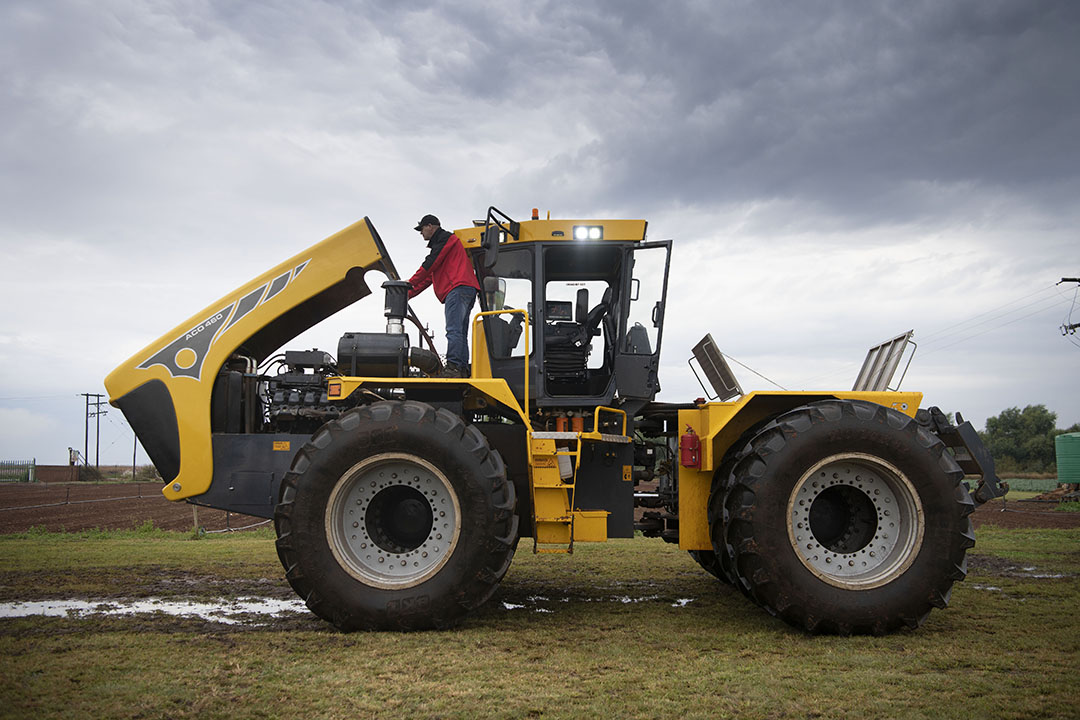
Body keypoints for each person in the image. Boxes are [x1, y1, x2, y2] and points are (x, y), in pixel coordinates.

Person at [407, 214, 482, 377]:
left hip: (458, 288)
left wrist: (408, 283)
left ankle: (454, 367)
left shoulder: (446, 239)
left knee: (453, 330)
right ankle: (461, 368)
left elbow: (429, 265)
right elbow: (428, 278)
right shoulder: (445, 246)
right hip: (466, 289)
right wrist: (407, 294)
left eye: (421, 229)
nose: (421, 233)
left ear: (430, 226)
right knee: (460, 332)